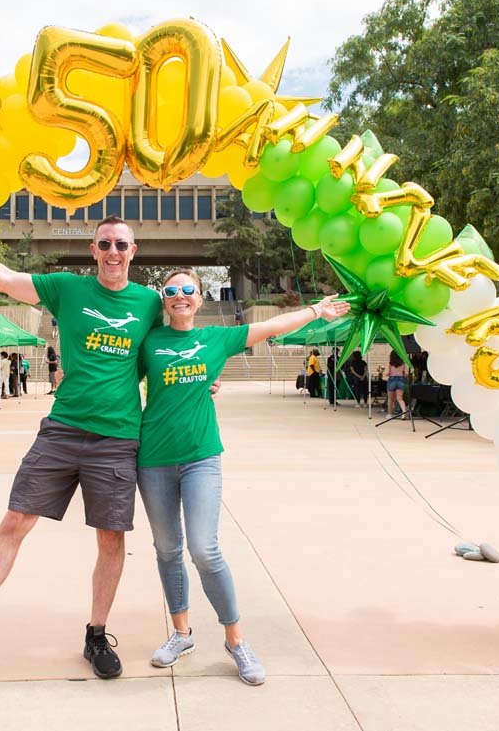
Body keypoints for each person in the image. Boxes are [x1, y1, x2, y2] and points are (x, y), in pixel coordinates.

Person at [0, 210, 166, 678]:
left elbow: (182, 342)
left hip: (118, 437)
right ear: (93, 251)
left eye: (121, 245)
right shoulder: (67, 288)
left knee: (111, 539)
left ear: (134, 252)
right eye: (104, 244)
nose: (113, 252)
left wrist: (201, 381)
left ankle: (96, 634)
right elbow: (5, 278)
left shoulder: (149, 302)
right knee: (15, 519)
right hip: (63, 428)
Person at [138, 269, 347, 686]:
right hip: (153, 460)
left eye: (188, 291)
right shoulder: (148, 343)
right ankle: (182, 634)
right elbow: (122, 383)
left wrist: (315, 310)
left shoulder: (216, 339)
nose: (180, 296)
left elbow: (268, 325)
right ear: (165, 299)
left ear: (200, 298)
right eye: (172, 290)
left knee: (204, 548)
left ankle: (236, 640)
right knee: (166, 549)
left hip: (201, 458)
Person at [386, 351, 409, 416]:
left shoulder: (390, 363)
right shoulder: (403, 363)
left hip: (392, 380)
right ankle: (404, 412)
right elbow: (406, 374)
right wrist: (402, 374)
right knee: (400, 398)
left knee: (390, 399)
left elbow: (386, 373)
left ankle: (390, 414)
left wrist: (392, 372)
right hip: (401, 380)